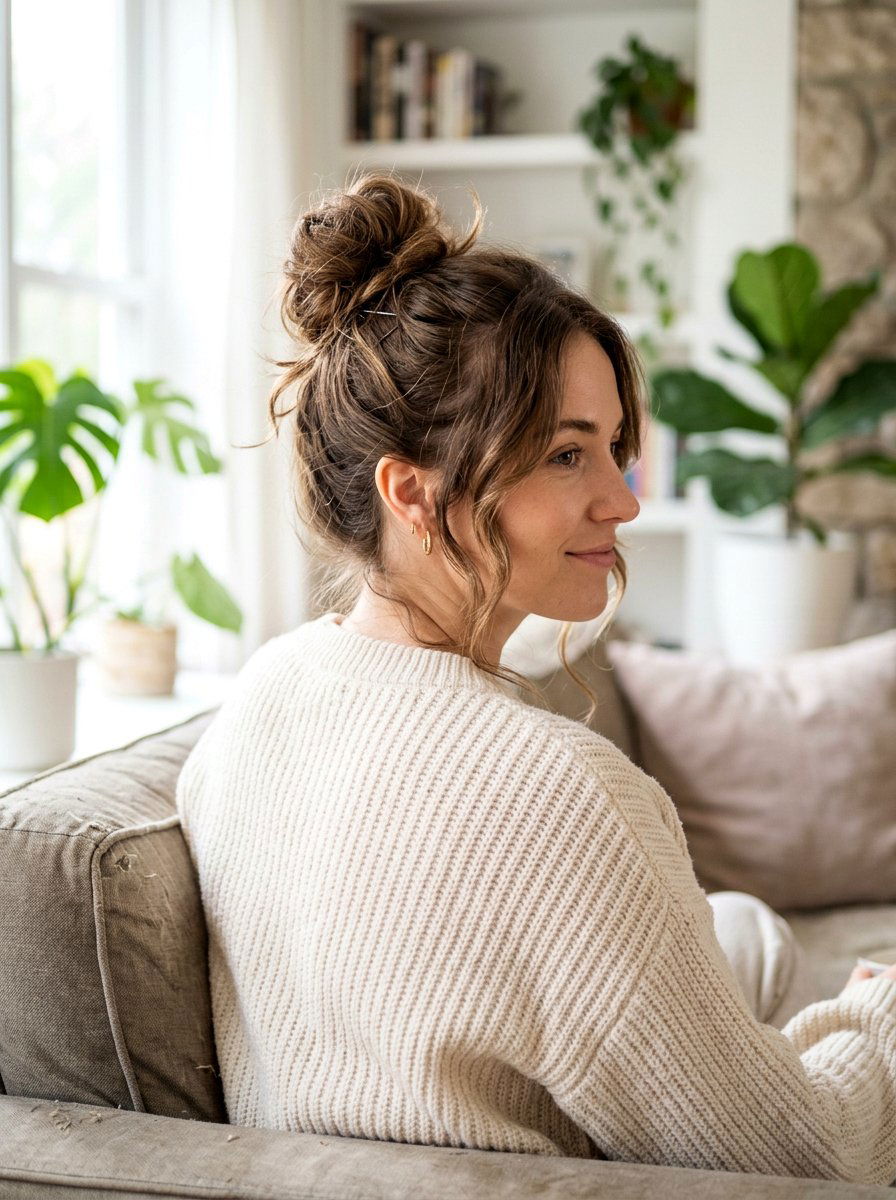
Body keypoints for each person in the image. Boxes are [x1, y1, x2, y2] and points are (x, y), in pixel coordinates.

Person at [176, 172, 896, 1184]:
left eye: (611, 449)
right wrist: (877, 1014)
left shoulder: (262, 696)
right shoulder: (560, 799)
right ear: (411, 493)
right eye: (566, 455)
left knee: (742, 932)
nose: (620, 500)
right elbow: (800, 1157)